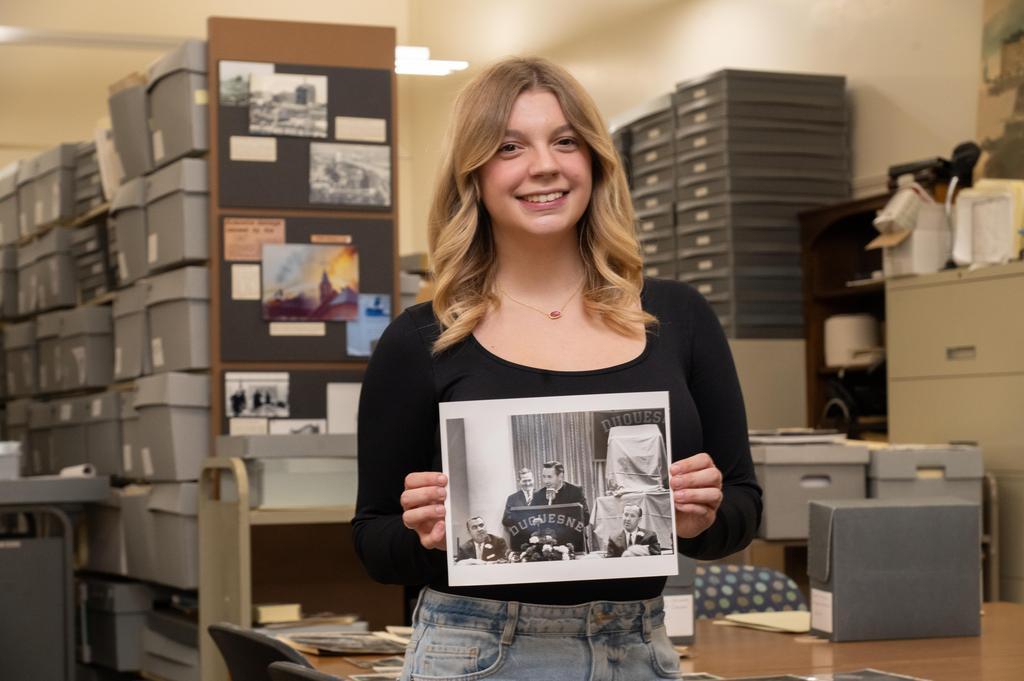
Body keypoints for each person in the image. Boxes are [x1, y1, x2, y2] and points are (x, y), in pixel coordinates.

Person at [353, 56, 761, 681]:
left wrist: (701, 519)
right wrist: (424, 533)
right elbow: (373, 539)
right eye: (510, 146)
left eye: (565, 141)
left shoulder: (680, 317)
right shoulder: (421, 339)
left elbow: (743, 507)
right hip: (475, 652)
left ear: (594, 160)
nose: (544, 165)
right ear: (475, 175)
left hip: (639, 649)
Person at [530, 460, 590, 525]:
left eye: (549, 477)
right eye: (544, 477)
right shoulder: (538, 495)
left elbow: (586, 519)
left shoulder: (575, 491)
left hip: (570, 534)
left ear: (560, 476)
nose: (546, 481)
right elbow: (529, 518)